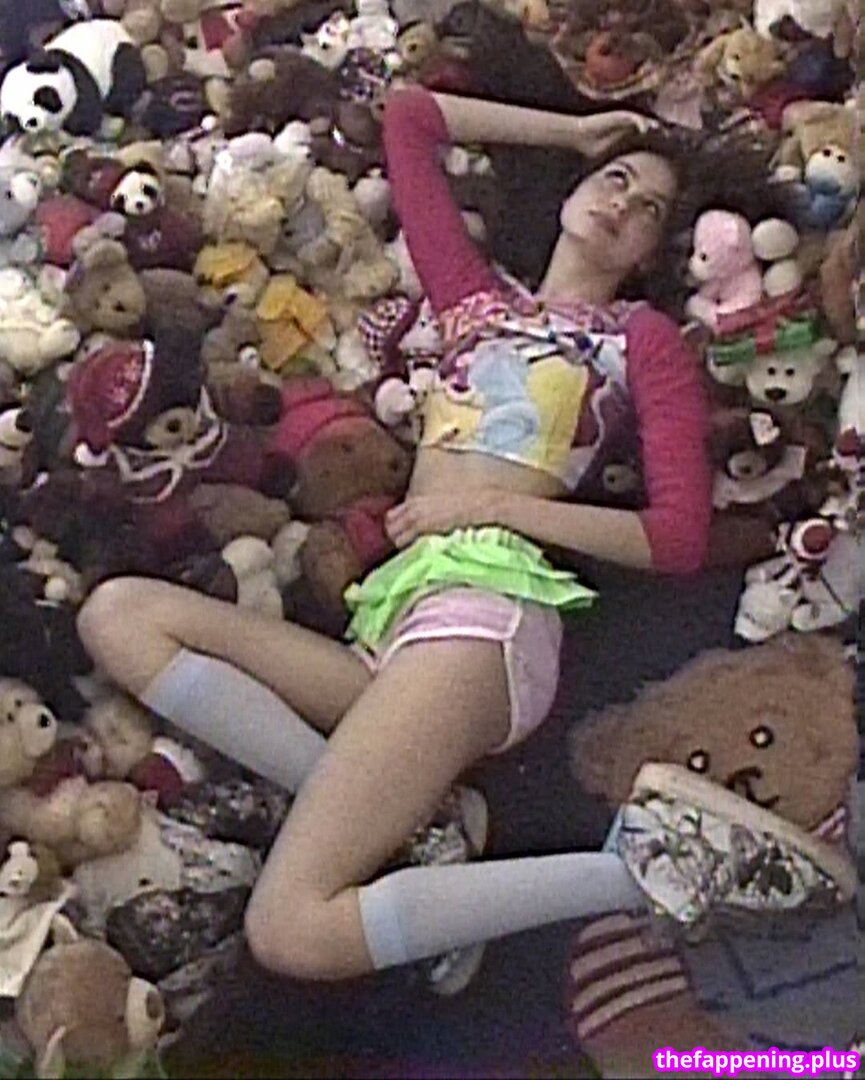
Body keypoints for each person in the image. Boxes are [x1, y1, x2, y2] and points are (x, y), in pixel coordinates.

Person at [77, 85, 714, 992]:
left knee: (290, 930)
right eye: (614, 180)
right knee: (116, 617)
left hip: (486, 617)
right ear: (574, 187)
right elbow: (410, 118)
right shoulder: (471, 302)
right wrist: (574, 128)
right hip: (393, 623)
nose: (621, 204)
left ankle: (643, 868)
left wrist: (489, 509)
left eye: (648, 208)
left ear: (655, 252)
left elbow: (679, 538)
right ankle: (423, 829)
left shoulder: (635, 340)